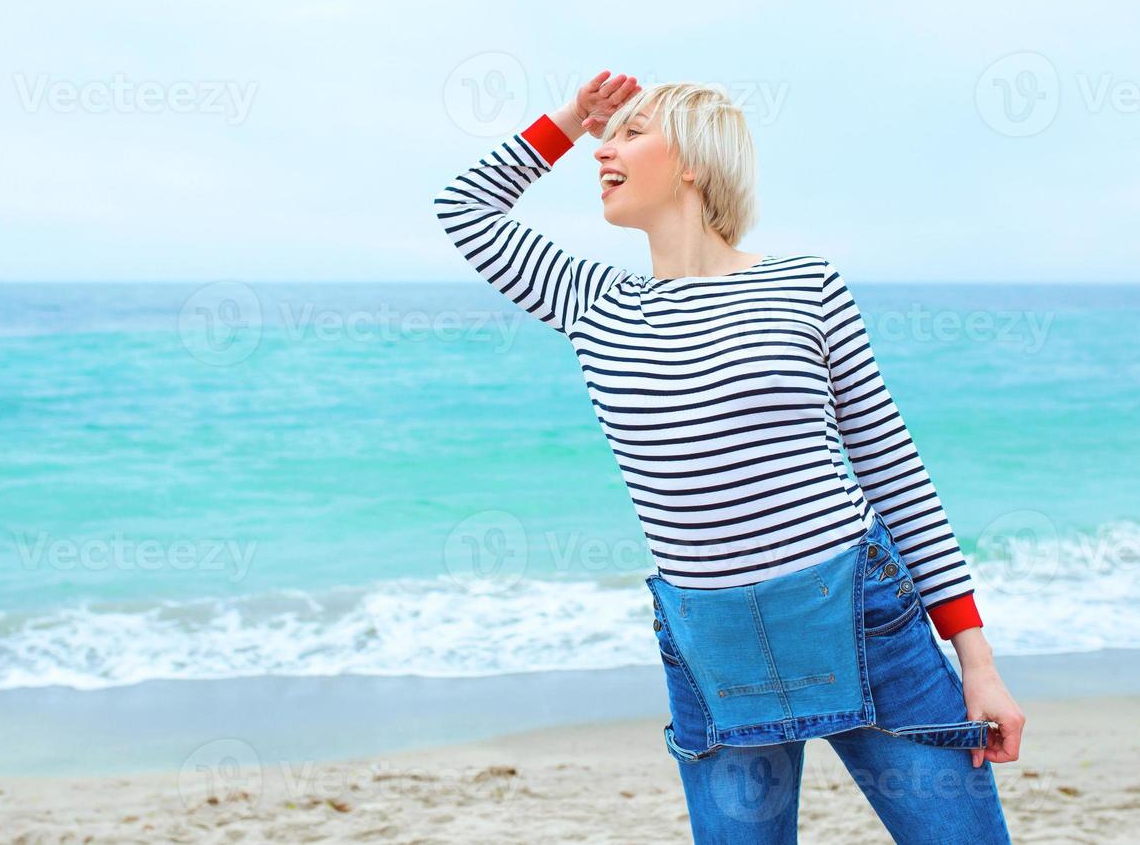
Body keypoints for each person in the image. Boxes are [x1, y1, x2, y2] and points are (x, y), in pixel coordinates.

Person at [435, 70, 1024, 843]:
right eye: (603, 139)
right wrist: (572, 118)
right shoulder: (595, 302)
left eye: (630, 134)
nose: (602, 153)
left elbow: (893, 472)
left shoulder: (806, 285)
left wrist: (977, 663)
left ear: (694, 162)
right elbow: (464, 209)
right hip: (713, 651)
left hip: (862, 620)